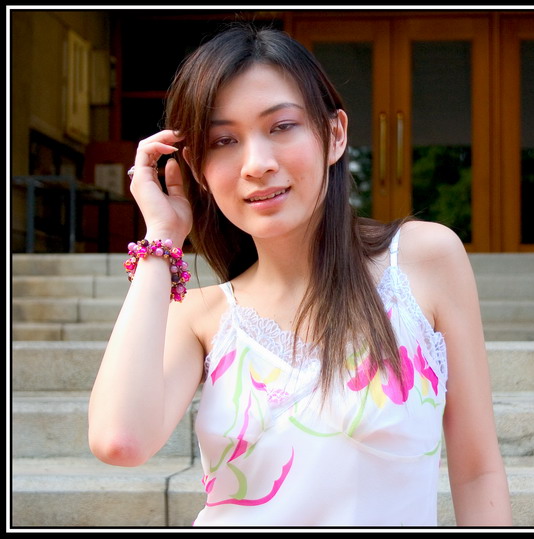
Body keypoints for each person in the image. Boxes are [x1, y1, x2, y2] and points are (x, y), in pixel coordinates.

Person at [88, 24, 512, 527]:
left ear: (335, 135)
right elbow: (120, 440)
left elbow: (478, 472)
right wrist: (162, 237)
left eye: (282, 126)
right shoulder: (201, 317)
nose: (256, 164)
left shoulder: (423, 260)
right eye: (224, 140)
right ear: (199, 171)